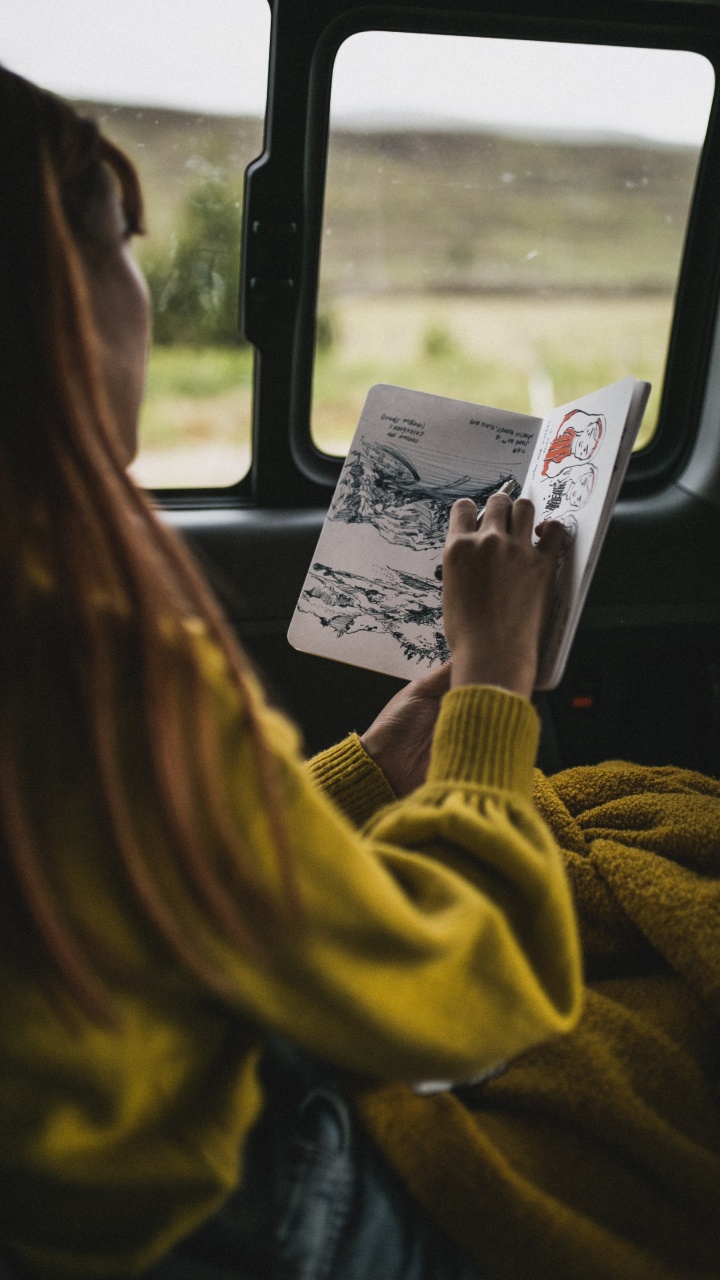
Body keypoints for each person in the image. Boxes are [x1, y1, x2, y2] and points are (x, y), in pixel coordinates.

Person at [0, 67, 582, 1280]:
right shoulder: (97, 676)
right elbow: (468, 1001)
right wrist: (494, 688)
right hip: (211, 1226)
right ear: (51, 292)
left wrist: (367, 773)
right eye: (122, 244)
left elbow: (155, 885)